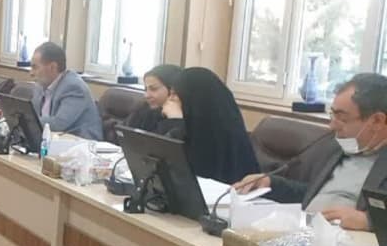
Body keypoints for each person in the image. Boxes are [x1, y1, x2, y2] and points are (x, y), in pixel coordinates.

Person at [235, 73, 387, 230]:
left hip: (349, 239)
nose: (332, 126)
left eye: (342, 118)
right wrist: (270, 183)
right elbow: (311, 194)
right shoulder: (336, 147)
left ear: (377, 121)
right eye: (332, 115)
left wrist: (369, 222)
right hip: (305, 229)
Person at [151, 67, 258, 184]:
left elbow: (185, 170)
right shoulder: (189, 127)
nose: (170, 100)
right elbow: (152, 159)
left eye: (175, 94)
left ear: (193, 98)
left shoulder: (220, 133)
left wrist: (176, 122)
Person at [29, 41, 103, 140]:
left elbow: (58, 124)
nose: (31, 73)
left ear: (52, 67)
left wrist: (26, 121)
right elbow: (33, 115)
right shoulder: (40, 86)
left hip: (82, 143)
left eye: (35, 67)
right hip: (53, 140)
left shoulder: (74, 87)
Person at [124, 64, 184, 133]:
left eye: (153, 89)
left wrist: (175, 120)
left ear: (173, 90)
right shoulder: (144, 109)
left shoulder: (184, 118)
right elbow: (122, 133)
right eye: (146, 89)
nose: (146, 95)